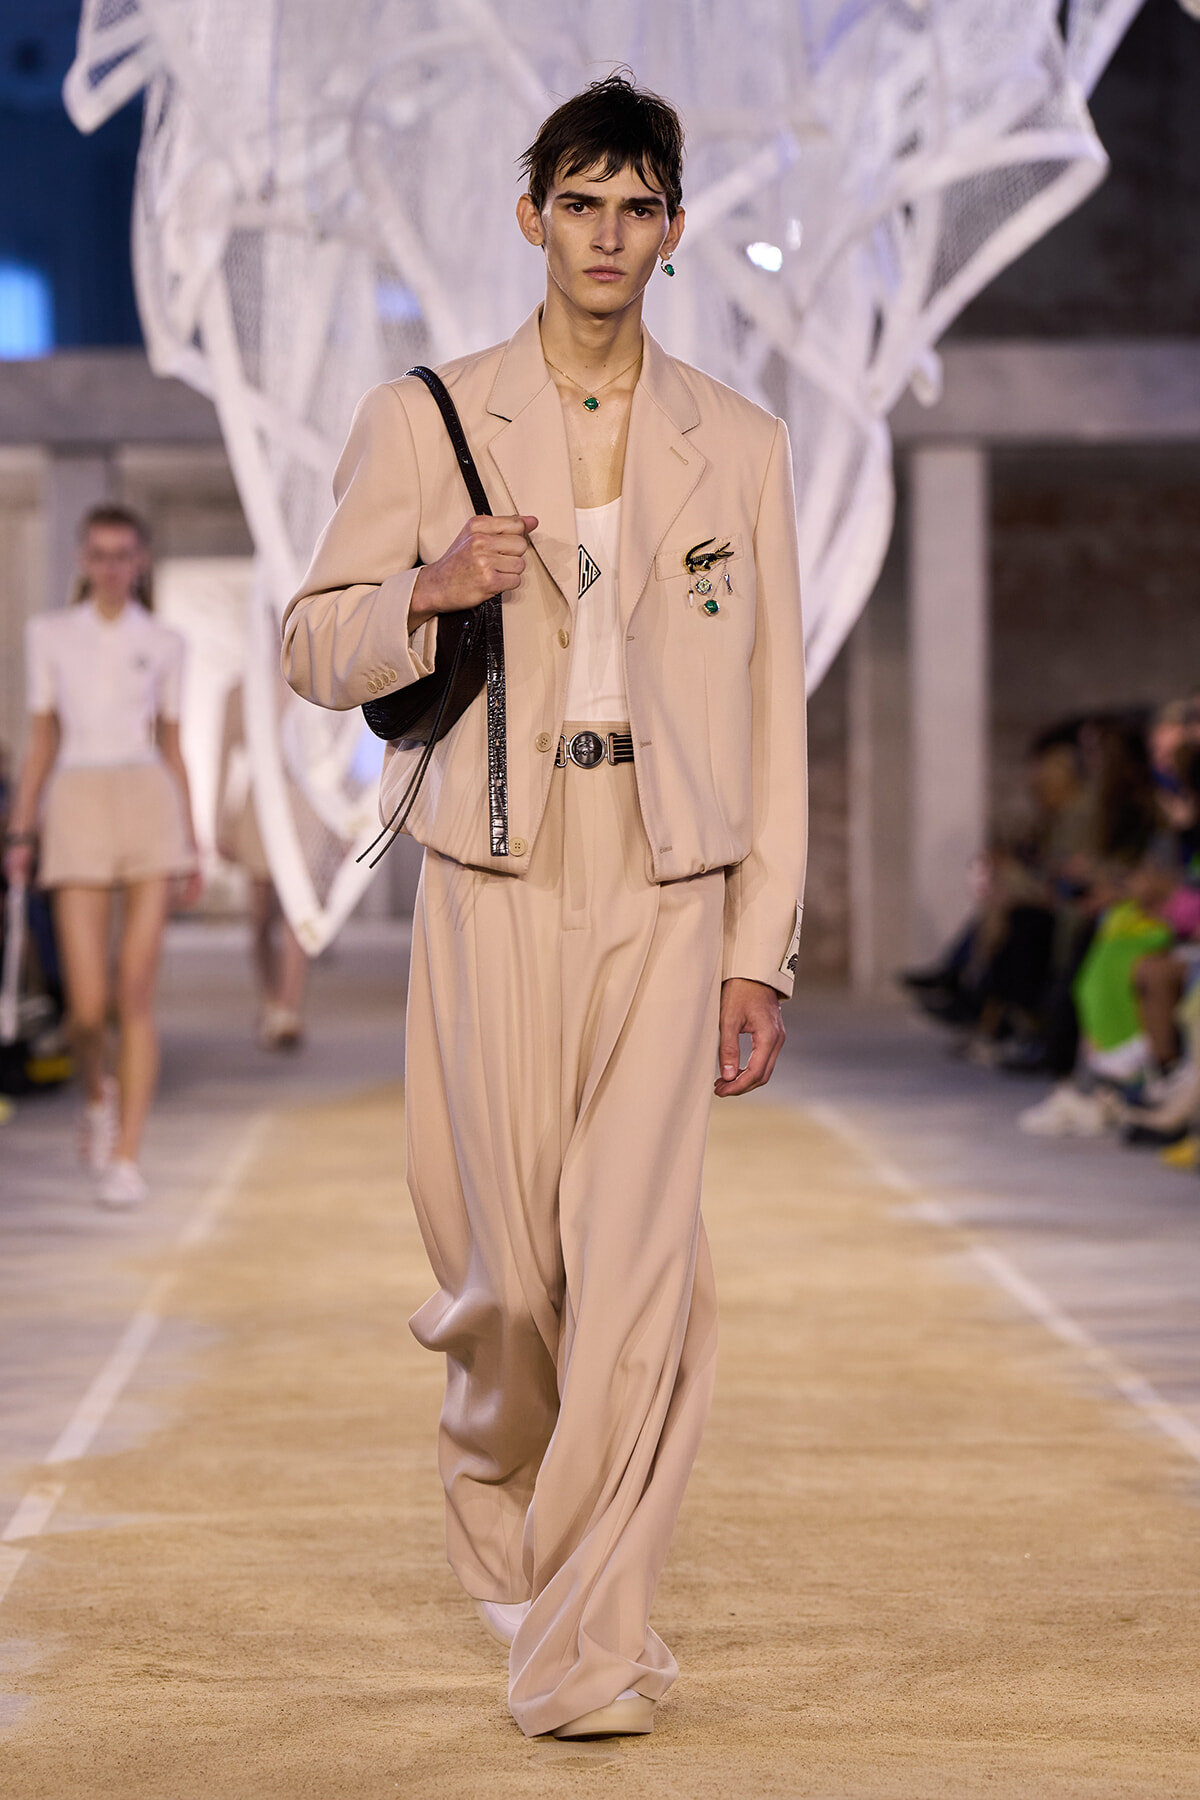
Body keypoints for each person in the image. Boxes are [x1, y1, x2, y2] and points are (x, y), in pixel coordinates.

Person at [283, 74, 807, 1740]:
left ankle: (590, 1640)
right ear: (532, 217)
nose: (607, 233)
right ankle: (497, 1490)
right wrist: (425, 594)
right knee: (507, 1273)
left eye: (636, 206)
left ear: (672, 228)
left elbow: (780, 713)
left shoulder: (744, 443)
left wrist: (760, 949)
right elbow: (309, 643)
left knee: (641, 1269)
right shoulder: (426, 415)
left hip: (669, 874)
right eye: (578, 202)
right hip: (495, 869)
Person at [2, 504, 200, 1206]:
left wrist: (193, 840)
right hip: (77, 801)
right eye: (99, 554)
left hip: (147, 801)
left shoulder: (168, 641)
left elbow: (173, 743)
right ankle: (96, 1093)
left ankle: (126, 1156)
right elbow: (42, 739)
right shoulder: (50, 635)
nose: (112, 566)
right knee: (86, 1009)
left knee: (133, 994)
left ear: (140, 562)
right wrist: (21, 834)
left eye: (123, 554)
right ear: (83, 562)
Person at [215, 682, 307, 1049]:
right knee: (260, 914)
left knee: (296, 912)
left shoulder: (305, 682)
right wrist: (217, 821)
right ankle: (270, 998)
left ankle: (287, 1008)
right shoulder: (238, 691)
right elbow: (223, 758)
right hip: (258, 807)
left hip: (300, 802)